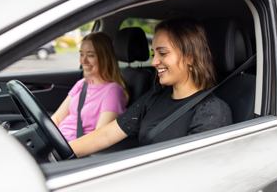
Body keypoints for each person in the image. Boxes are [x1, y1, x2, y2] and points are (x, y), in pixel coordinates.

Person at [70, 18, 232, 157]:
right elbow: (106, 134)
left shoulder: (212, 112)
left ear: (190, 57)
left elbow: (196, 171)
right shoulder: (155, 96)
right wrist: (61, 154)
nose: (154, 62)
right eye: (154, 54)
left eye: (163, 53)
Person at [51, 32, 128, 142]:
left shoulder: (113, 91)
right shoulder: (82, 83)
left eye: (90, 55)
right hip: (56, 140)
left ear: (104, 58)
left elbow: (98, 137)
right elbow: (57, 118)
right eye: (81, 54)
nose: (83, 61)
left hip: (72, 148)